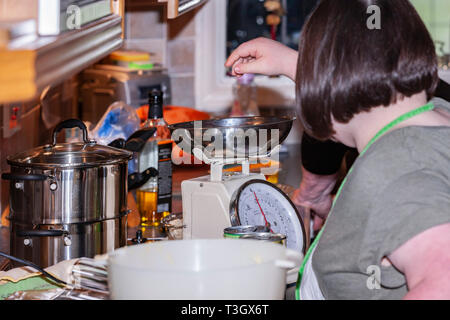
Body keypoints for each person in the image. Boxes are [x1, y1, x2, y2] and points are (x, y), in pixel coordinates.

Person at [226, 0, 450, 299]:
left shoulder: (397, 169)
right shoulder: (434, 114)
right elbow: (374, 79)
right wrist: (295, 64)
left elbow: (443, 280)